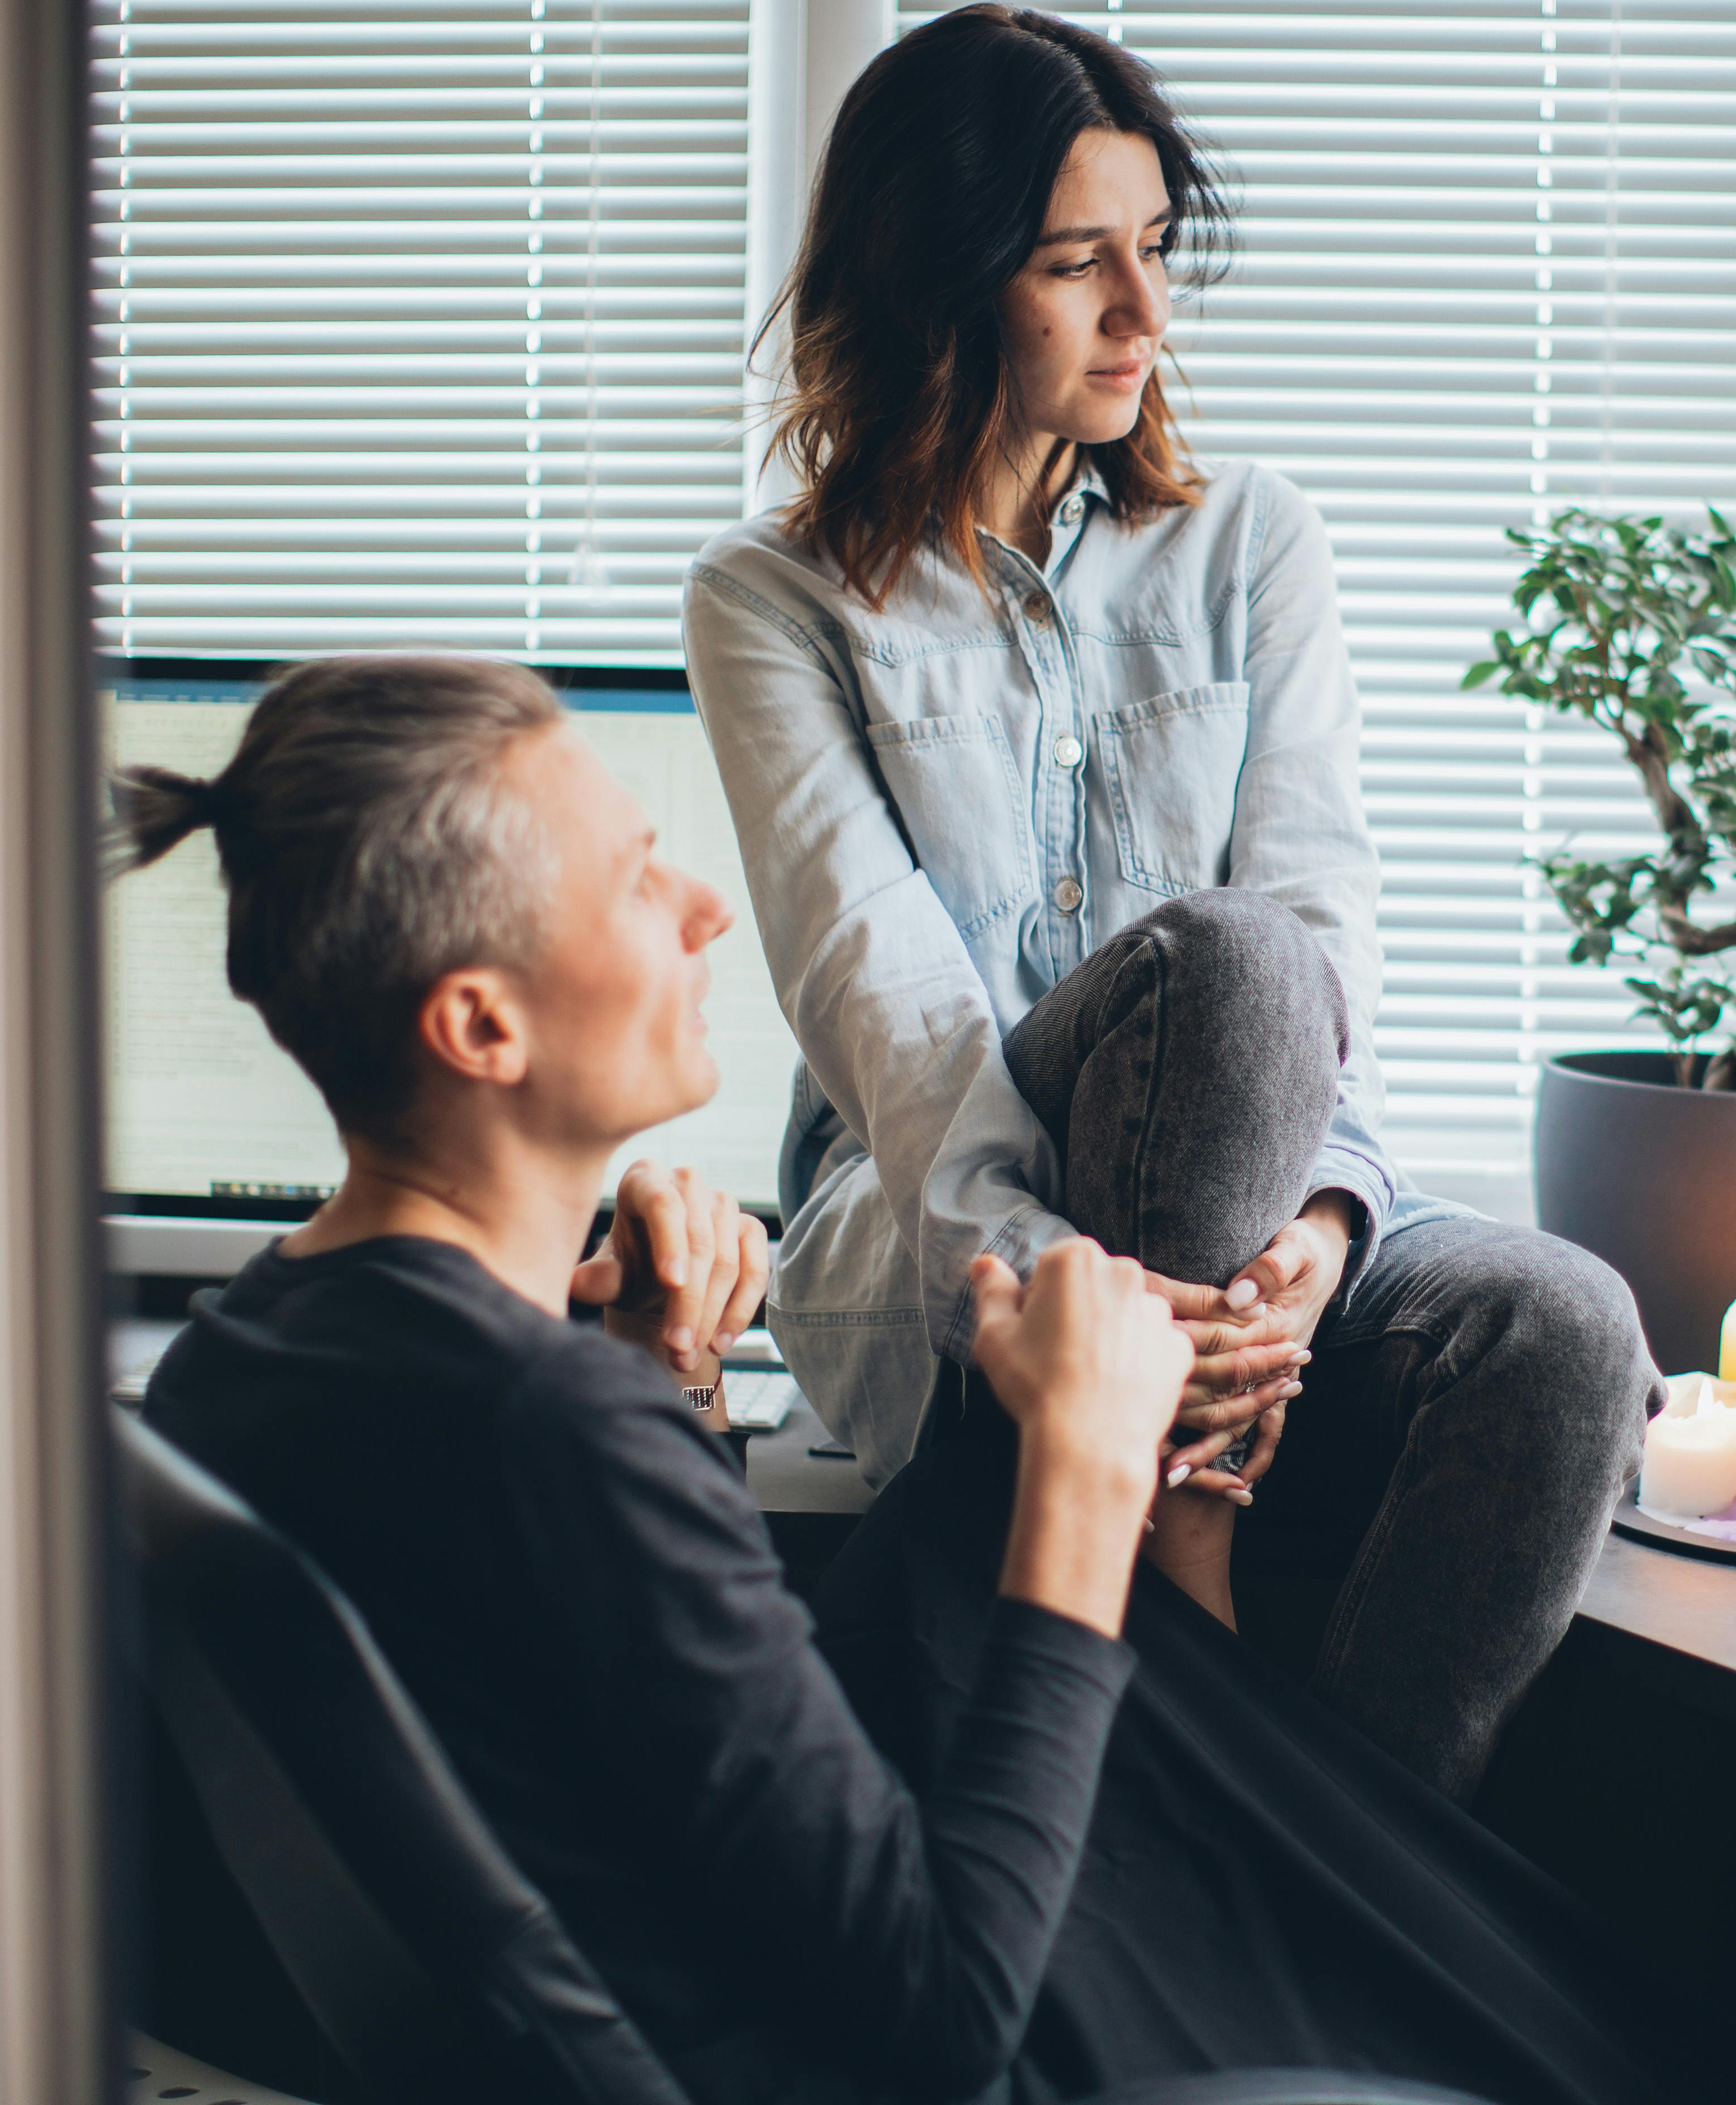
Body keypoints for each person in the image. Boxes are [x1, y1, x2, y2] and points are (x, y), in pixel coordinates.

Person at [119, 656, 1706, 2104]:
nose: (703, 910)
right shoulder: (539, 1425)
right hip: (890, 2044)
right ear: (480, 1023)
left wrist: (667, 1379)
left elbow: (625, 1729)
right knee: (1568, 2019)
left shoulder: (244, 1360)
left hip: (727, 1967)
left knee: (973, 1553)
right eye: (630, 878)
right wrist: (1083, 1478)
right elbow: (937, 2026)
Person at [685, 1, 1653, 1801]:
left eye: (1154, 254)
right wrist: (1089, 1314)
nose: (1146, 314)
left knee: (1567, 1327)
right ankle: (1173, 1539)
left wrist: (1321, 1233)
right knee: (1218, 965)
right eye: (1078, 266)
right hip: (956, 1240)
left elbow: (1326, 922)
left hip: (1267, 1204)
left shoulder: (1253, 537)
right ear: (936, 287)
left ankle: (1338, 1876)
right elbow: (896, 1019)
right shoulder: (776, 604)